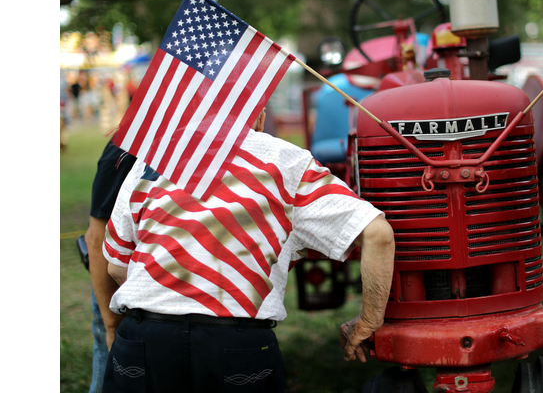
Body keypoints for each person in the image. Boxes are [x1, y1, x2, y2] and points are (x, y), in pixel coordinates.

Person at [100, 109, 395, 392]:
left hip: (144, 337)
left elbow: (115, 266)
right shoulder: (286, 160)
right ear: (260, 116)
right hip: (235, 342)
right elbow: (378, 234)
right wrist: (369, 321)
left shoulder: (153, 159)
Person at [83, 141, 137, 393]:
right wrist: (111, 322)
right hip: (117, 285)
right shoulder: (125, 150)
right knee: (110, 361)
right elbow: (96, 238)